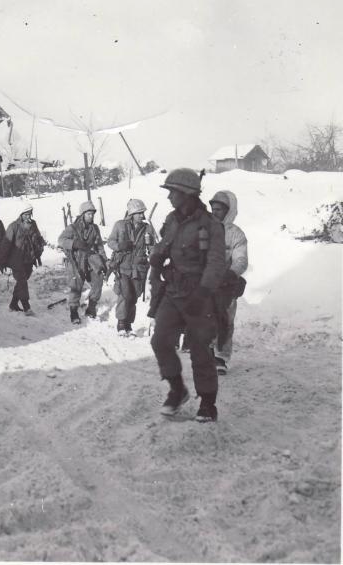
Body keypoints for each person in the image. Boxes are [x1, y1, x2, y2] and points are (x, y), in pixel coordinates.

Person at [148, 168, 226, 422]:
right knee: (160, 340)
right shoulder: (172, 219)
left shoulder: (211, 225)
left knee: (200, 349)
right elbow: (165, 244)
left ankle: (207, 403)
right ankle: (177, 389)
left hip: (199, 294)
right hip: (173, 290)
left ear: (187, 194)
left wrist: (203, 293)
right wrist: (157, 257)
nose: (169, 197)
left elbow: (216, 264)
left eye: (173, 192)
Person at [208, 190, 248, 375]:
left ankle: (221, 357)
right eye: (213, 208)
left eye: (219, 209)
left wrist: (230, 275)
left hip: (226, 284)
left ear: (228, 211)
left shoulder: (236, 234)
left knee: (225, 320)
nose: (215, 212)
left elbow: (241, 260)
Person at [106, 199, 157, 336]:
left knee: (134, 296)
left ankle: (128, 324)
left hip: (139, 268)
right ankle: (121, 324)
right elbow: (110, 242)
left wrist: (155, 258)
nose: (142, 215)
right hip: (122, 266)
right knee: (124, 294)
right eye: (139, 213)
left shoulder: (147, 229)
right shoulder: (120, 225)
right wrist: (120, 246)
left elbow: (152, 248)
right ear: (132, 213)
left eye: (143, 213)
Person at [57, 200, 107, 325]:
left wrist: (104, 261)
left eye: (92, 214)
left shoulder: (95, 228)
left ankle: (91, 308)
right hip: (76, 260)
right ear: (83, 214)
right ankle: (74, 310)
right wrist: (74, 243)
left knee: (98, 280)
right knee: (76, 285)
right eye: (89, 214)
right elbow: (61, 240)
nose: (91, 216)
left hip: (91, 260)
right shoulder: (72, 228)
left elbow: (100, 245)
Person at [0, 202, 44, 315]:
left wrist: (40, 246)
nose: (28, 216)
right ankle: (26, 306)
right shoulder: (13, 226)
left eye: (30, 214)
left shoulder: (33, 224)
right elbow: (6, 245)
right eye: (26, 214)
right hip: (16, 260)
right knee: (22, 281)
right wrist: (2, 261)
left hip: (29, 259)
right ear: (21, 214)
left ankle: (13, 304)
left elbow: (38, 238)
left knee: (21, 282)